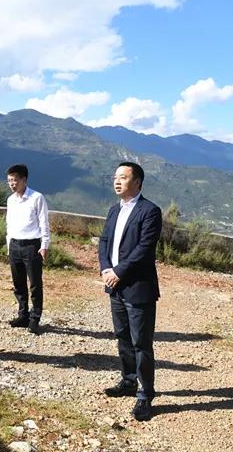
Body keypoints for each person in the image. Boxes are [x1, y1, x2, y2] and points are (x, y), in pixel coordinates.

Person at [98, 162, 162, 422]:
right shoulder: (114, 209)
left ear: (137, 183)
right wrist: (105, 268)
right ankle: (128, 380)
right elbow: (104, 241)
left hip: (137, 287)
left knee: (141, 343)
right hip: (114, 284)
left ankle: (145, 394)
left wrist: (118, 271)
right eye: (116, 177)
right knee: (122, 336)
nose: (117, 181)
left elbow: (144, 248)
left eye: (123, 178)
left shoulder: (150, 211)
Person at [5, 164, 49, 334]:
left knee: (35, 284)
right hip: (14, 245)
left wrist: (44, 245)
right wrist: (9, 245)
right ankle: (23, 315)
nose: (12, 184)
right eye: (9, 180)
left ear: (24, 180)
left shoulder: (37, 198)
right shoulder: (10, 200)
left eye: (15, 180)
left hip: (32, 245)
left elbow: (44, 222)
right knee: (18, 283)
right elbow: (9, 224)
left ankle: (35, 318)